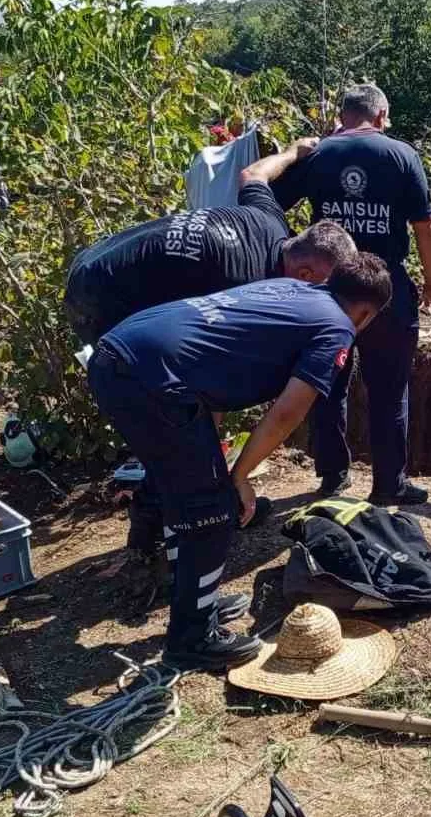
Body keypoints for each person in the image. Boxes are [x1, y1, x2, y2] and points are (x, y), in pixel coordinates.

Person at [89, 256, 393, 669]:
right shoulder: (337, 327)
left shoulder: (291, 290)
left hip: (120, 354)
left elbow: (209, 359)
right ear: (365, 313)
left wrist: (218, 462)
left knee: (187, 490)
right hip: (151, 378)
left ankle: (197, 604)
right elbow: (288, 412)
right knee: (211, 508)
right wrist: (238, 477)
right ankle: (191, 641)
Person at [267, 83, 431, 506]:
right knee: (390, 387)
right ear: (381, 116)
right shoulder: (402, 155)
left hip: (328, 290)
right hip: (385, 288)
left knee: (325, 381)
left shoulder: (320, 155)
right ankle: (389, 484)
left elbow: (269, 204)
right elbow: (427, 228)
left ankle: (333, 476)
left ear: (342, 115)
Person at [64, 135, 356, 346]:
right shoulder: (249, 286)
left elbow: (253, 174)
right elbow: (207, 357)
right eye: (323, 288)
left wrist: (293, 152)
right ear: (305, 275)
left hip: (94, 256)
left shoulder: (270, 218)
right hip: (96, 297)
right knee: (137, 374)